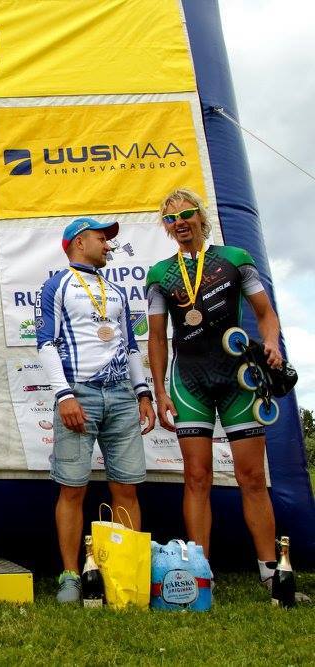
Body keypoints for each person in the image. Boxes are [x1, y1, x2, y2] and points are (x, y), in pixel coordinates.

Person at [146, 188, 284, 593]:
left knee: (252, 477)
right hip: (189, 382)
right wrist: (160, 391)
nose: (179, 223)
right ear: (166, 227)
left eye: (186, 214)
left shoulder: (235, 259)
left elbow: (265, 313)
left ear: (200, 216)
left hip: (239, 378)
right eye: (171, 218)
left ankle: (271, 571)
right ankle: (199, 573)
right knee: (197, 477)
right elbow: (156, 338)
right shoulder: (160, 274)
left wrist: (271, 343)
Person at [35, 217, 155, 603]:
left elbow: (130, 347)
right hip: (79, 394)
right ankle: (70, 575)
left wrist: (143, 394)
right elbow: (46, 343)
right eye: (101, 239)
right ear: (78, 242)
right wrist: (64, 395)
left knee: (127, 487)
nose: (108, 245)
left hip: (121, 395)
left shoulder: (115, 291)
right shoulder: (57, 285)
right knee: (72, 488)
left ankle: (125, 571)